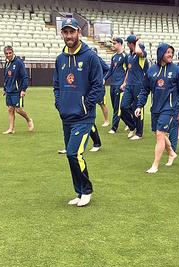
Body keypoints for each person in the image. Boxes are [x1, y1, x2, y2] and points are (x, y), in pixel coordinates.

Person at [53, 18, 104, 207]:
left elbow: (98, 86)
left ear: (78, 33)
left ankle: (87, 190)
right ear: (62, 34)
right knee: (70, 156)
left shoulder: (90, 57)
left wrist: (85, 106)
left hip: (83, 116)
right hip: (66, 115)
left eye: (71, 32)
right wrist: (59, 104)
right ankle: (79, 191)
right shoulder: (60, 59)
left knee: (74, 153)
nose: (68, 36)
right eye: (65, 32)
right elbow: (57, 85)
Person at [135, 43, 179, 173]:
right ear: (161, 54)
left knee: (160, 134)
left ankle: (155, 165)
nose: (170, 55)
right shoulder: (151, 71)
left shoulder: (177, 70)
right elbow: (144, 90)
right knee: (158, 133)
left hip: (170, 108)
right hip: (156, 108)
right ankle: (171, 153)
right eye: (168, 52)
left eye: (171, 52)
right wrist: (139, 105)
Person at [120, 34, 148, 140]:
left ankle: (139, 133)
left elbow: (138, 52)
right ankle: (132, 126)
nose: (127, 45)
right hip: (129, 85)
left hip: (138, 85)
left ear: (132, 44)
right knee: (123, 107)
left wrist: (137, 42)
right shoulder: (129, 56)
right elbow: (129, 70)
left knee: (138, 108)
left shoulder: (141, 54)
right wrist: (124, 82)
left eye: (128, 43)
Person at [2, 46, 34, 134]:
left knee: (18, 109)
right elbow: (6, 77)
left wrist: (23, 90)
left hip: (17, 90)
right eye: (6, 53)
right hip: (9, 90)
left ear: (13, 52)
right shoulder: (7, 63)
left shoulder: (19, 62)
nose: (8, 55)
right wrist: (5, 88)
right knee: (10, 109)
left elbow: (25, 77)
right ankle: (11, 129)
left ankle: (28, 119)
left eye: (10, 53)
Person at [104, 37, 128, 134]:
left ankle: (114, 128)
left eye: (114, 43)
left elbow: (128, 71)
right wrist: (104, 79)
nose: (113, 45)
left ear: (120, 44)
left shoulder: (125, 56)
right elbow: (111, 70)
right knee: (115, 106)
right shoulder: (113, 56)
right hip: (113, 84)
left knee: (117, 107)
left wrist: (124, 83)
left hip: (120, 85)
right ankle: (130, 122)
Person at [92, 47, 111, 128]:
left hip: (99, 86)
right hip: (92, 85)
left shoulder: (99, 60)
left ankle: (107, 120)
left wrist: (103, 78)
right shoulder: (89, 61)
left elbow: (107, 69)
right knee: (91, 103)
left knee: (102, 103)